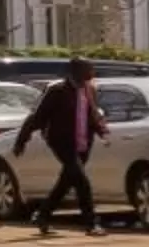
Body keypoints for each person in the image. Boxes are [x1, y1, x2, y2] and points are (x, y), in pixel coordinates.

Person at [19, 57, 106, 237]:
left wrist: (99, 130)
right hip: (62, 142)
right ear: (75, 72)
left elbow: (91, 113)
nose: (92, 72)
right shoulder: (57, 91)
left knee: (66, 182)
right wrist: (22, 140)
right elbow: (37, 117)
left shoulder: (90, 89)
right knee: (82, 181)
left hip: (83, 142)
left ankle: (43, 214)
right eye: (88, 69)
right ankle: (91, 224)